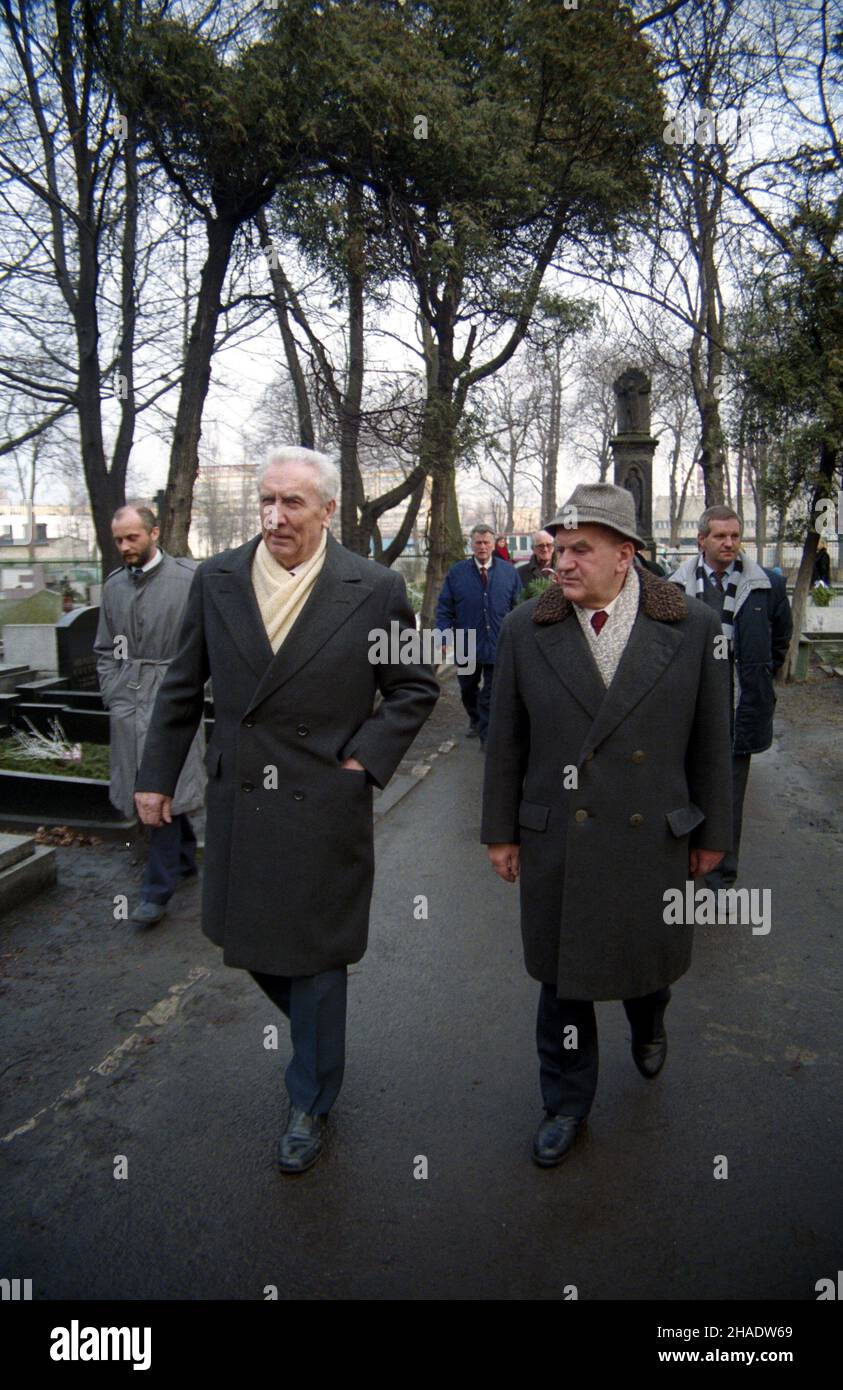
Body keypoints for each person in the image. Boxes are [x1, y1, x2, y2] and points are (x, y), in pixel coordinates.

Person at [134, 448, 438, 1174]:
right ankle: (316, 1040)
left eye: (292, 503)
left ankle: (310, 1096)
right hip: (242, 799)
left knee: (320, 954)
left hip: (323, 800)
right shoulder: (217, 579)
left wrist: (362, 762)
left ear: (328, 510)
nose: (274, 517)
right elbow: (182, 687)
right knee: (244, 939)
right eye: (266, 501)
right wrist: (155, 776)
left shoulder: (373, 587)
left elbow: (413, 687)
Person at [481, 482, 732, 1167]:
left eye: (579, 550)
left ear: (625, 555)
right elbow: (504, 742)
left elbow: (712, 742)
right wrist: (499, 832)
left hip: (652, 835)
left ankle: (649, 1021)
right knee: (561, 983)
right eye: (557, 548)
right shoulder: (525, 630)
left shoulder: (693, 628)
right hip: (557, 834)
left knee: (645, 964)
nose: (560, 562)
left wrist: (713, 838)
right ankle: (564, 1102)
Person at [668, 506, 792, 888]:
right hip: (687, 715)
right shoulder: (676, 588)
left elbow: (779, 641)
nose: (730, 543)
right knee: (682, 793)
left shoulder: (765, 586)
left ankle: (721, 879)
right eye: (720, 536)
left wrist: (756, 681)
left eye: (735, 536)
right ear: (701, 540)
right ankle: (681, 870)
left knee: (729, 801)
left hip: (738, 714)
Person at [94, 506, 205, 927]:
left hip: (173, 698)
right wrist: (114, 692)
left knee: (163, 789)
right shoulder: (114, 587)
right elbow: (106, 648)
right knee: (148, 788)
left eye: (132, 538)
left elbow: (208, 643)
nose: (124, 547)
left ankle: (155, 892)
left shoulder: (188, 580)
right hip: (129, 698)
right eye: (118, 540)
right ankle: (185, 861)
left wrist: (194, 690)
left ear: (154, 533)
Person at [435, 524, 520, 745]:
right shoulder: (457, 572)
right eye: (478, 542)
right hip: (467, 643)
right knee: (467, 688)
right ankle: (475, 719)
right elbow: (445, 607)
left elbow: (518, 606)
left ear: (493, 545)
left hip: (497, 643)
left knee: (490, 694)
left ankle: (486, 736)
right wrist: (443, 636)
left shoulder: (508, 572)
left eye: (486, 542)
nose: (482, 546)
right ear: (471, 544)